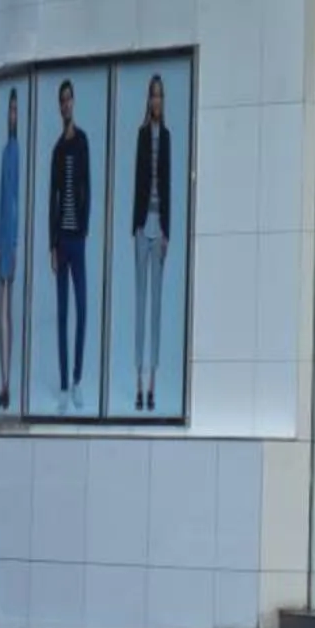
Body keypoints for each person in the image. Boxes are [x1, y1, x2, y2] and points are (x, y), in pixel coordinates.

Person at [128, 73, 176, 413]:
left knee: (156, 308)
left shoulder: (168, 137)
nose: (156, 101)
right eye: (152, 96)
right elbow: (137, 181)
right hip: (142, 224)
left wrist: (168, 231)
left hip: (159, 229)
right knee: (140, 305)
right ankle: (137, 384)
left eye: (160, 96)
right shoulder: (142, 136)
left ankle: (154, 386)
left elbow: (169, 185)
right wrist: (135, 224)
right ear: (148, 101)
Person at [47, 79, 95, 403]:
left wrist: (84, 229)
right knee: (62, 314)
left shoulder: (82, 142)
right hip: (61, 242)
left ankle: (78, 379)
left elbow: (87, 187)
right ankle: (64, 385)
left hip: (77, 239)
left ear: (74, 102)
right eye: (61, 101)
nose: (66, 105)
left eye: (68, 99)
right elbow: (53, 197)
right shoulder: (56, 149)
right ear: (59, 106)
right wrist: (52, 244)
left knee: (82, 309)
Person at [0, 89, 22, 412]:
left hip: (8, 240)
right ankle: (3, 381)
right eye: (10, 110)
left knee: (5, 310)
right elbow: (4, 202)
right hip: (3, 238)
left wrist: (12, 245)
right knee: (0, 310)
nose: (12, 116)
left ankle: (6, 381)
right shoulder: (5, 151)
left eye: (16, 111)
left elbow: (13, 202)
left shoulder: (14, 151)